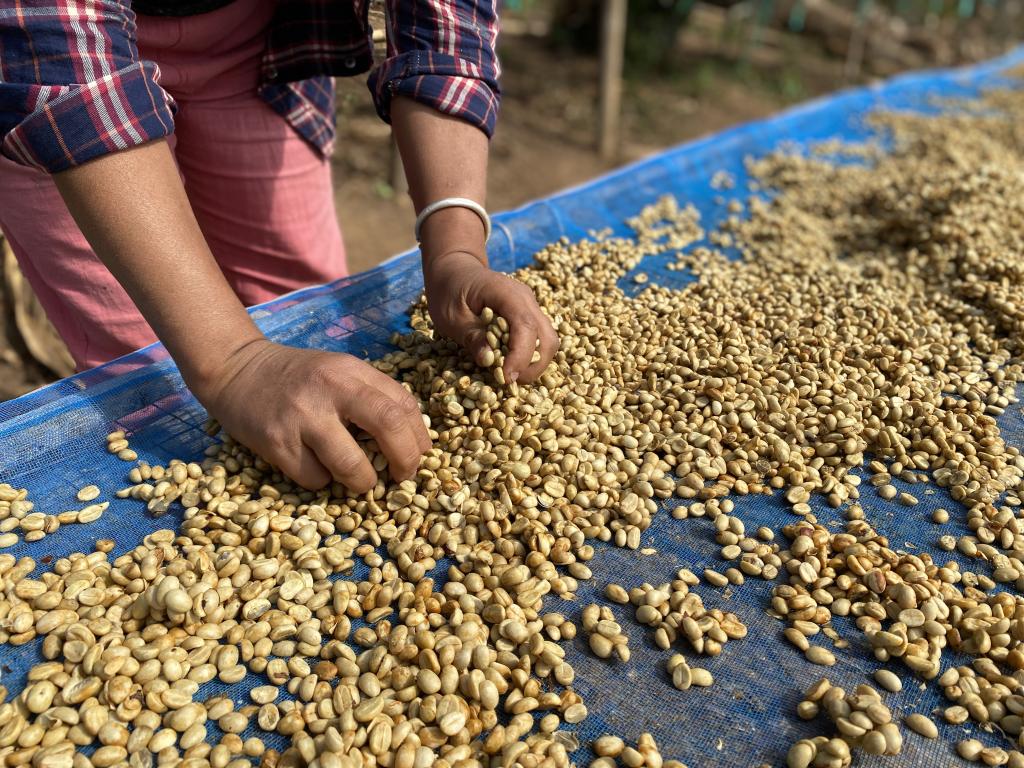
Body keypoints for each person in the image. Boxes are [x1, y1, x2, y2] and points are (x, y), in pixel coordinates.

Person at [0, 1, 559, 491]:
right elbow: (60, 58)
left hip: (263, 43)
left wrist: (455, 250)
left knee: (305, 315)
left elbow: (446, 25)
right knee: (145, 369)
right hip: (47, 70)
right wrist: (233, 363)